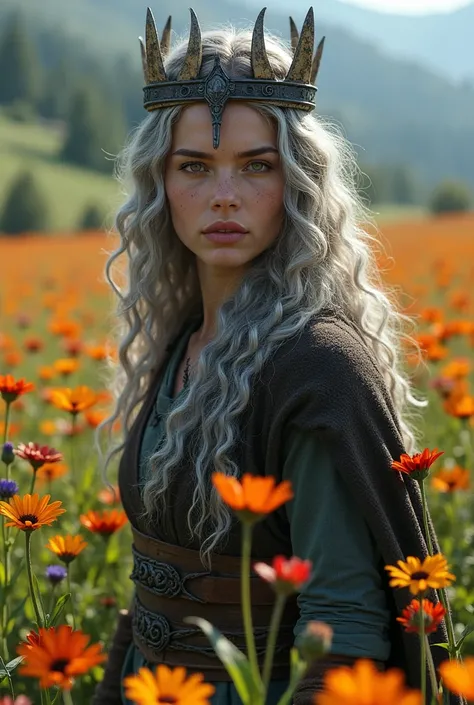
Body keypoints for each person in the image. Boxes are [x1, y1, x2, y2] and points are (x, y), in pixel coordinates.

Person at [92, 6, 458, 704]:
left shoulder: (316, 367)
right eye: (194, 166)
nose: (223, 197)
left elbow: (346, 623)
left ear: (296, 183)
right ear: (159, 184)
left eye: (255, 166)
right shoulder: (179, 343)